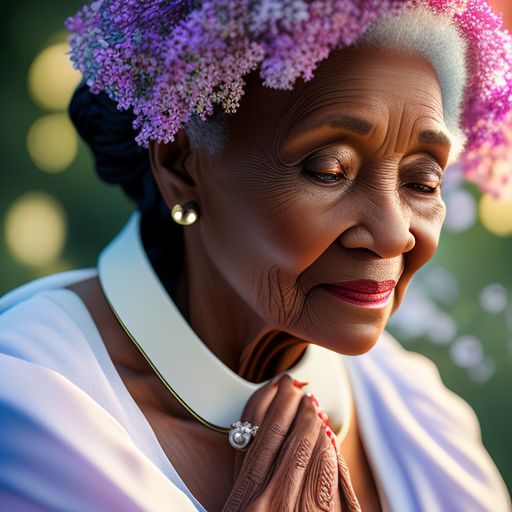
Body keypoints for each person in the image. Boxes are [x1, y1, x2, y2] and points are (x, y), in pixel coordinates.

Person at [1, 1, 511, 510]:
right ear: (180, 165)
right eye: (330, 170)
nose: (394, 234)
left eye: (422, 181)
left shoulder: (422, 415)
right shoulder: (29, 412)